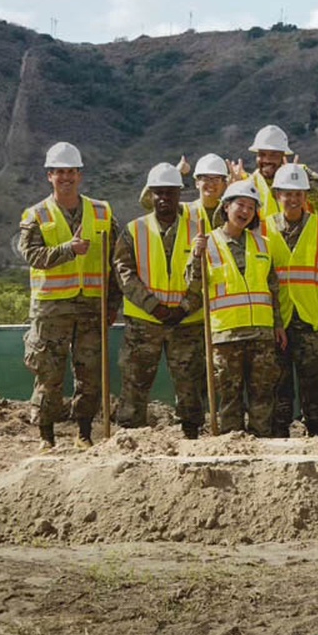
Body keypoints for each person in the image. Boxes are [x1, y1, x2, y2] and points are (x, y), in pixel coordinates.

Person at [19, 141, 120, 452]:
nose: (66, 177)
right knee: (48, 374)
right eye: (59, 172)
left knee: (89, 374)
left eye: (71, 172)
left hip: (91, 306)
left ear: (80, 175)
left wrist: (113, 303)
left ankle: (84, 433)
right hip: (51, 309)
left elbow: (117, 259)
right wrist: (67, 250)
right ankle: (47, 438)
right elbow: (31, 254)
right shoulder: (36, 214)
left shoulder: (102, 211)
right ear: (49, 175)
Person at [113, 163, 206, 439]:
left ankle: (192, 436)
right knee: (134, 382)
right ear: (150, 195)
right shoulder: (133, 230)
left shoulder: (197, 231)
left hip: (186, 323)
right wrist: (154, 307)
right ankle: (130, 438)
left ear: (180, 194)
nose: (164, 198)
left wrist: (185, 307)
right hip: (145, 322)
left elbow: (207, 274)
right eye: (159, 193)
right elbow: (123, 273)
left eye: (170, 192)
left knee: (190, 385)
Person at [189, 178, 286, 436]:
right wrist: (195, 257)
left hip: (261, 333)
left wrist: (278, 325)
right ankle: (231, 444)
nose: (245, 212)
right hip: (226, 335)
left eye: (251, 208)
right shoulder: (206, 244)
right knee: (229, 396)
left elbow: (273, 288)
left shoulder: (263, 244)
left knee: (262, 394)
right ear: (226, 207)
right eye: (240, 205)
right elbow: (192, 287)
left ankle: (261, 442)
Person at [265, 162, 318, 436]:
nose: (293, 198)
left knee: (315, 387)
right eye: (287, 193)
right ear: (277, 195)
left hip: (313, 320)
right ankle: (278, 437)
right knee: (278, 386)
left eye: (299, 193)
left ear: (306, 196)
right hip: (278, 320)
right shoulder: (263, 230)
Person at [234, 125, 318, 221]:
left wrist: (303, 184)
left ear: (283, 156)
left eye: (273, 155)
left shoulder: (303, 174)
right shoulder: (250, 183)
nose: (267, 160)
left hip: (305, 240)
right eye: (262, 154)